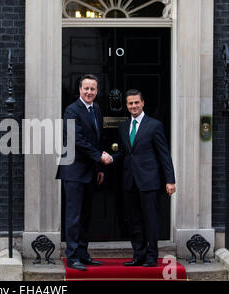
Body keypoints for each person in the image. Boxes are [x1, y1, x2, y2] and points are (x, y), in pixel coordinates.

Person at [103, 89, 176, 267]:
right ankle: (138, 255)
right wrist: (112, 158)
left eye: (136, 102)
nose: (133, 106)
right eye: (130, 103)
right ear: (127, 105)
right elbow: (123, 152)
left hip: (149, 181)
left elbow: (164, 155)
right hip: (130, 181)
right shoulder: (123, 126)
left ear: (143, 103)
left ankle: (151, 257)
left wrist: (170, 180)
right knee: (134, 221)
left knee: (150, 220)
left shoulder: (154, 125)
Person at [56, 74, 111, 271]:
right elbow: (76, 139)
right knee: (74, 216)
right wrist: (99, 157)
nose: (89, 92)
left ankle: (82, 253)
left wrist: (100, 167)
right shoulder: (71, 110)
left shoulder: (96, 109)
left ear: (97, 91)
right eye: (86, 88)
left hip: (90, 171)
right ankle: (72, 257)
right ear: (79, 89)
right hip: (73, 171)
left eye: (93, 89)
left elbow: (98, 139)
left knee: (86, 215)